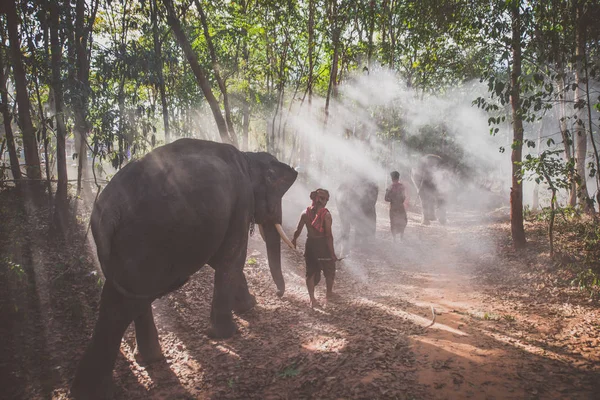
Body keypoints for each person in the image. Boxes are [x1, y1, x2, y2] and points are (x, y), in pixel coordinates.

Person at [291, 188, 339, 308]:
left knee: (313, 271)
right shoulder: (326, 215)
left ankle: (319, 297)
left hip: (311, 244)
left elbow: (298, 230)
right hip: (321, 245)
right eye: (322, 198)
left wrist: (294, 239)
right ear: (316, 198)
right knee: (326, 270)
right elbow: (328, 236)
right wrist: (332, 254)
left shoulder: (305, 213)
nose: (324, 201)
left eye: (326, 199)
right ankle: (322, 296)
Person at [385, 171, 408, 242]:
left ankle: (394, 239)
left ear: (392, 178)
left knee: (393, 222)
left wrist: (392, 199)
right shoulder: (402, 186)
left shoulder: (390, 187)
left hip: (393, 208)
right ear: (398, 177)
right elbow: (404, 197)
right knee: (403, 221)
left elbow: (386, 198)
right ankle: (401, 237)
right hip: (400, 207)